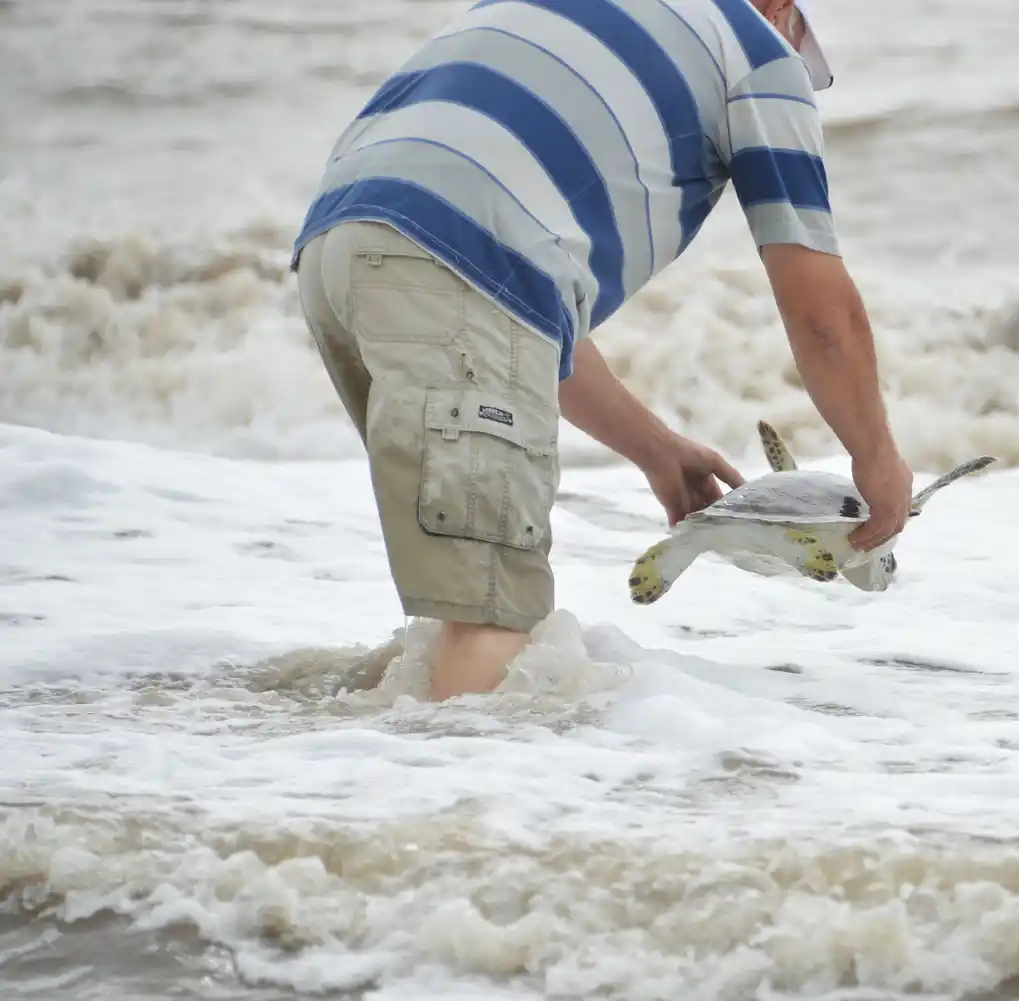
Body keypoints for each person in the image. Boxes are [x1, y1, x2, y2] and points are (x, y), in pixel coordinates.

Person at [291, 0, 913, 700]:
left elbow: (519, 316)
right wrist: (877, 458)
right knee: (493, 619)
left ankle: (347, 778)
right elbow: (822, 313)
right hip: (453, 265)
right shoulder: (756, 51)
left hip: (338, 246)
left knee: (460, 596)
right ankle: (440, 805)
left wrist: (655, 447)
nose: (798, 56)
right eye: (802, 35)